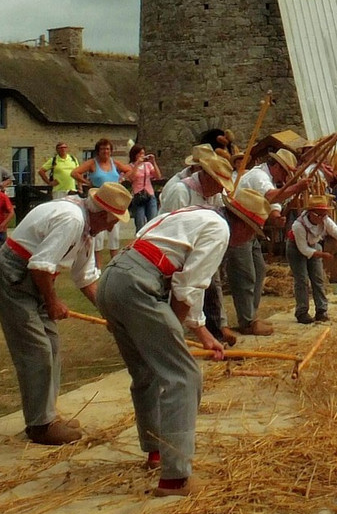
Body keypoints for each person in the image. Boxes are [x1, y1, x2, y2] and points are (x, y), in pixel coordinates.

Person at [93, 187, 271, 495]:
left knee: (146, 372)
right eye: (253, 232)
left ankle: (156, 451)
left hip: (113, 281)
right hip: (139, 287)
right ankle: (175, 479)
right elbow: (187, 288)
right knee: (184, 376)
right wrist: (176, 329)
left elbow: (187, 283)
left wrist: (202, 334)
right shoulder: (219, 231)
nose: (250, 239)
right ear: (242, 224)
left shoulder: (191, 214)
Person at [0, 181, 132, 445]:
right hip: (14, 275)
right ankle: (40, 425)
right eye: (113, 221)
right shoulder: (72, 220)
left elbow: (86, 278)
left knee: (52, 345)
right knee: (37, 350)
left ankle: (48, 415)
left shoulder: (87, 229)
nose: (113, 226)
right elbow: (40, 266)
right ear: (102, 214)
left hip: (35, 277)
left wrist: (109, 314)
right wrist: (52, 301)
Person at [228, 147, 312, 335]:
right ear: (274, 166)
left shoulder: (271, 180)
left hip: (250, 230)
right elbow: (271, 195)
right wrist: (296, 187)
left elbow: (273, 203)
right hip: (238, 229)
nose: (284, 176)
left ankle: (250, 316)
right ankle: (247, 321)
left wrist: (276, 216)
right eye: (283, 171)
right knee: (246, 275)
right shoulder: (259, 176)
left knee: (259, 270)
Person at [160, 146, 238, 346]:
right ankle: (171, 335)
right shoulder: (179, 190)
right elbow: (170, 227)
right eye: (219, 183)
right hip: (172, 253)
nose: (222, 189)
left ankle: (213, 328)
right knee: (178, 290)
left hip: (198, 248)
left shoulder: (213, 195)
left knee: (209, 284)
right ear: (208, 177)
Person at [72, 139, 131, 269]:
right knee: (98, 233)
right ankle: (97, 265)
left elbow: (129, 170)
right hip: (97, 198)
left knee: (114, 231)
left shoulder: (114, 163)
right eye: (103, 149)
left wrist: (122, 179)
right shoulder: (93, 163)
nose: (105, 151)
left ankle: (114, 263)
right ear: (98, 151)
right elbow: (74, 172)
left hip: (113, 200)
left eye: (108, 149)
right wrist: (87, 182)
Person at [287, 193, 337, 324]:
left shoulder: (324, 219)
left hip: (314, 245)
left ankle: (321, 310)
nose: (322, 217)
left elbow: (334, 230)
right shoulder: (298, 226)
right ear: (311, 213)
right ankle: (302, 312)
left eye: (324, 214)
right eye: (319, 214)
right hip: (296, 249)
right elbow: (304, 250)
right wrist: (323, 255)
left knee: (318, 279)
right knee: (301, 280)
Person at [127, 144, 163, 231]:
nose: (142, 156)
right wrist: (137, 164)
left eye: (143, 153)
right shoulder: (130, 166)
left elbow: (158, 176)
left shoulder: (147, 165)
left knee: (152, 221)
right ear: (134, 155)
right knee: (140, 223)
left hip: (150, 194)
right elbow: (132, 178)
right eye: (139, 154)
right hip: (138, 195)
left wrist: (153, 162)